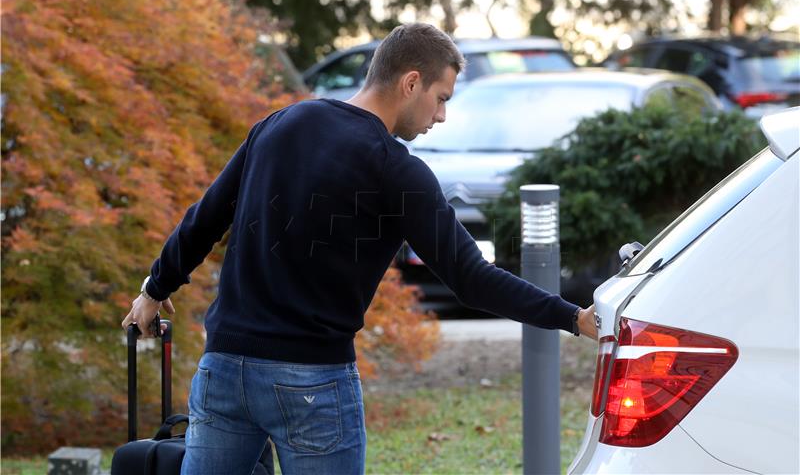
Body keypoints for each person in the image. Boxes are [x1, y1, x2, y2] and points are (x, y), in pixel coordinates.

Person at [121, 23, 598, 475]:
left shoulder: (280, 124)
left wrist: (153, 289)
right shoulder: (395, 169)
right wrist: (573, 318)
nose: (441, 116)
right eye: (440, 99)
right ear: (412, 82)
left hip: (224, 370)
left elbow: (205, 217)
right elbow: (470, 278)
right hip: (311, 382)